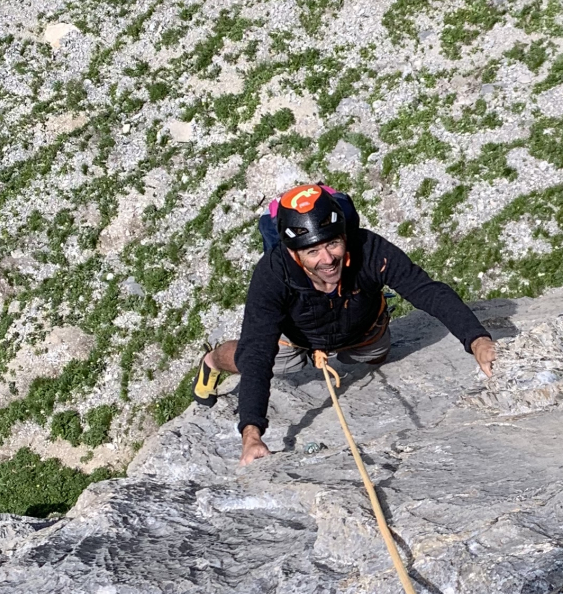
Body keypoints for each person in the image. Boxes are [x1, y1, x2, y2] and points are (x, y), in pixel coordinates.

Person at [193, 183, 497, 465]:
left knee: (377, 355)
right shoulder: (273, 274)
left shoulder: (369, 250)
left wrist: (476, 340)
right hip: (296, 339)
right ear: (293, 254)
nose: (327, 259)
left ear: (344, 236)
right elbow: (259, 352)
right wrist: (252, 432)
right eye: (312, 251)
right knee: (250, 357)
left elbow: (425, 290)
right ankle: (212, 361)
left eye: (333, 244)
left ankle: (348, 349)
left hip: (361, 332)